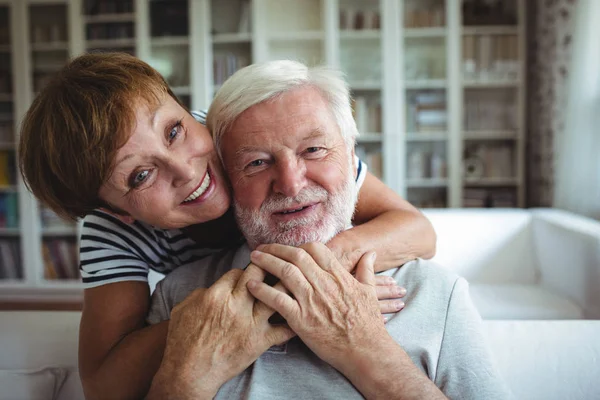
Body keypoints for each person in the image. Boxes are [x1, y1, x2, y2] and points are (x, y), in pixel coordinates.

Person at [18, 53, 437, 400]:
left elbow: (418, 230)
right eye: (140, 176)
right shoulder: (111, 232)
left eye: (174, 130)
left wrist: (311, 271)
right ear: (116, 212)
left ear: (184, 110)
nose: (186, 169)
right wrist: (215, 314)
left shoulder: (245, 132)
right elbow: (105, 384)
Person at [145, 60, 511, 399]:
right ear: (229, 179)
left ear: (352, 159)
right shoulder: (179, 297)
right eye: (257, 162)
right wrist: (185, 381)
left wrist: (367, 350)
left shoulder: (437, 294)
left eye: (314, 150)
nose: (290, 184)